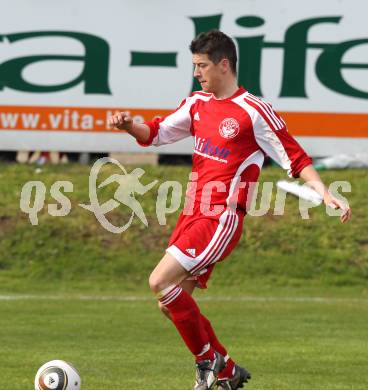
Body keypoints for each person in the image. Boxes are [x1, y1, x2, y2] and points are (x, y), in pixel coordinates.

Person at [109, 30, 352, 390]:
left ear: (224, 64)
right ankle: (225, 370)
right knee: (170, 304)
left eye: (202, 65)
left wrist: (325, 192)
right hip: (193, 214)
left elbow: (293, 156)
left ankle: (209, 362)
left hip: (220, 216)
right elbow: (156, 133)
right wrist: (130, 126)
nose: (197, 72)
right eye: (194, 65)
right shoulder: (197, 104)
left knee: (159, 282)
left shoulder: (253, 112)